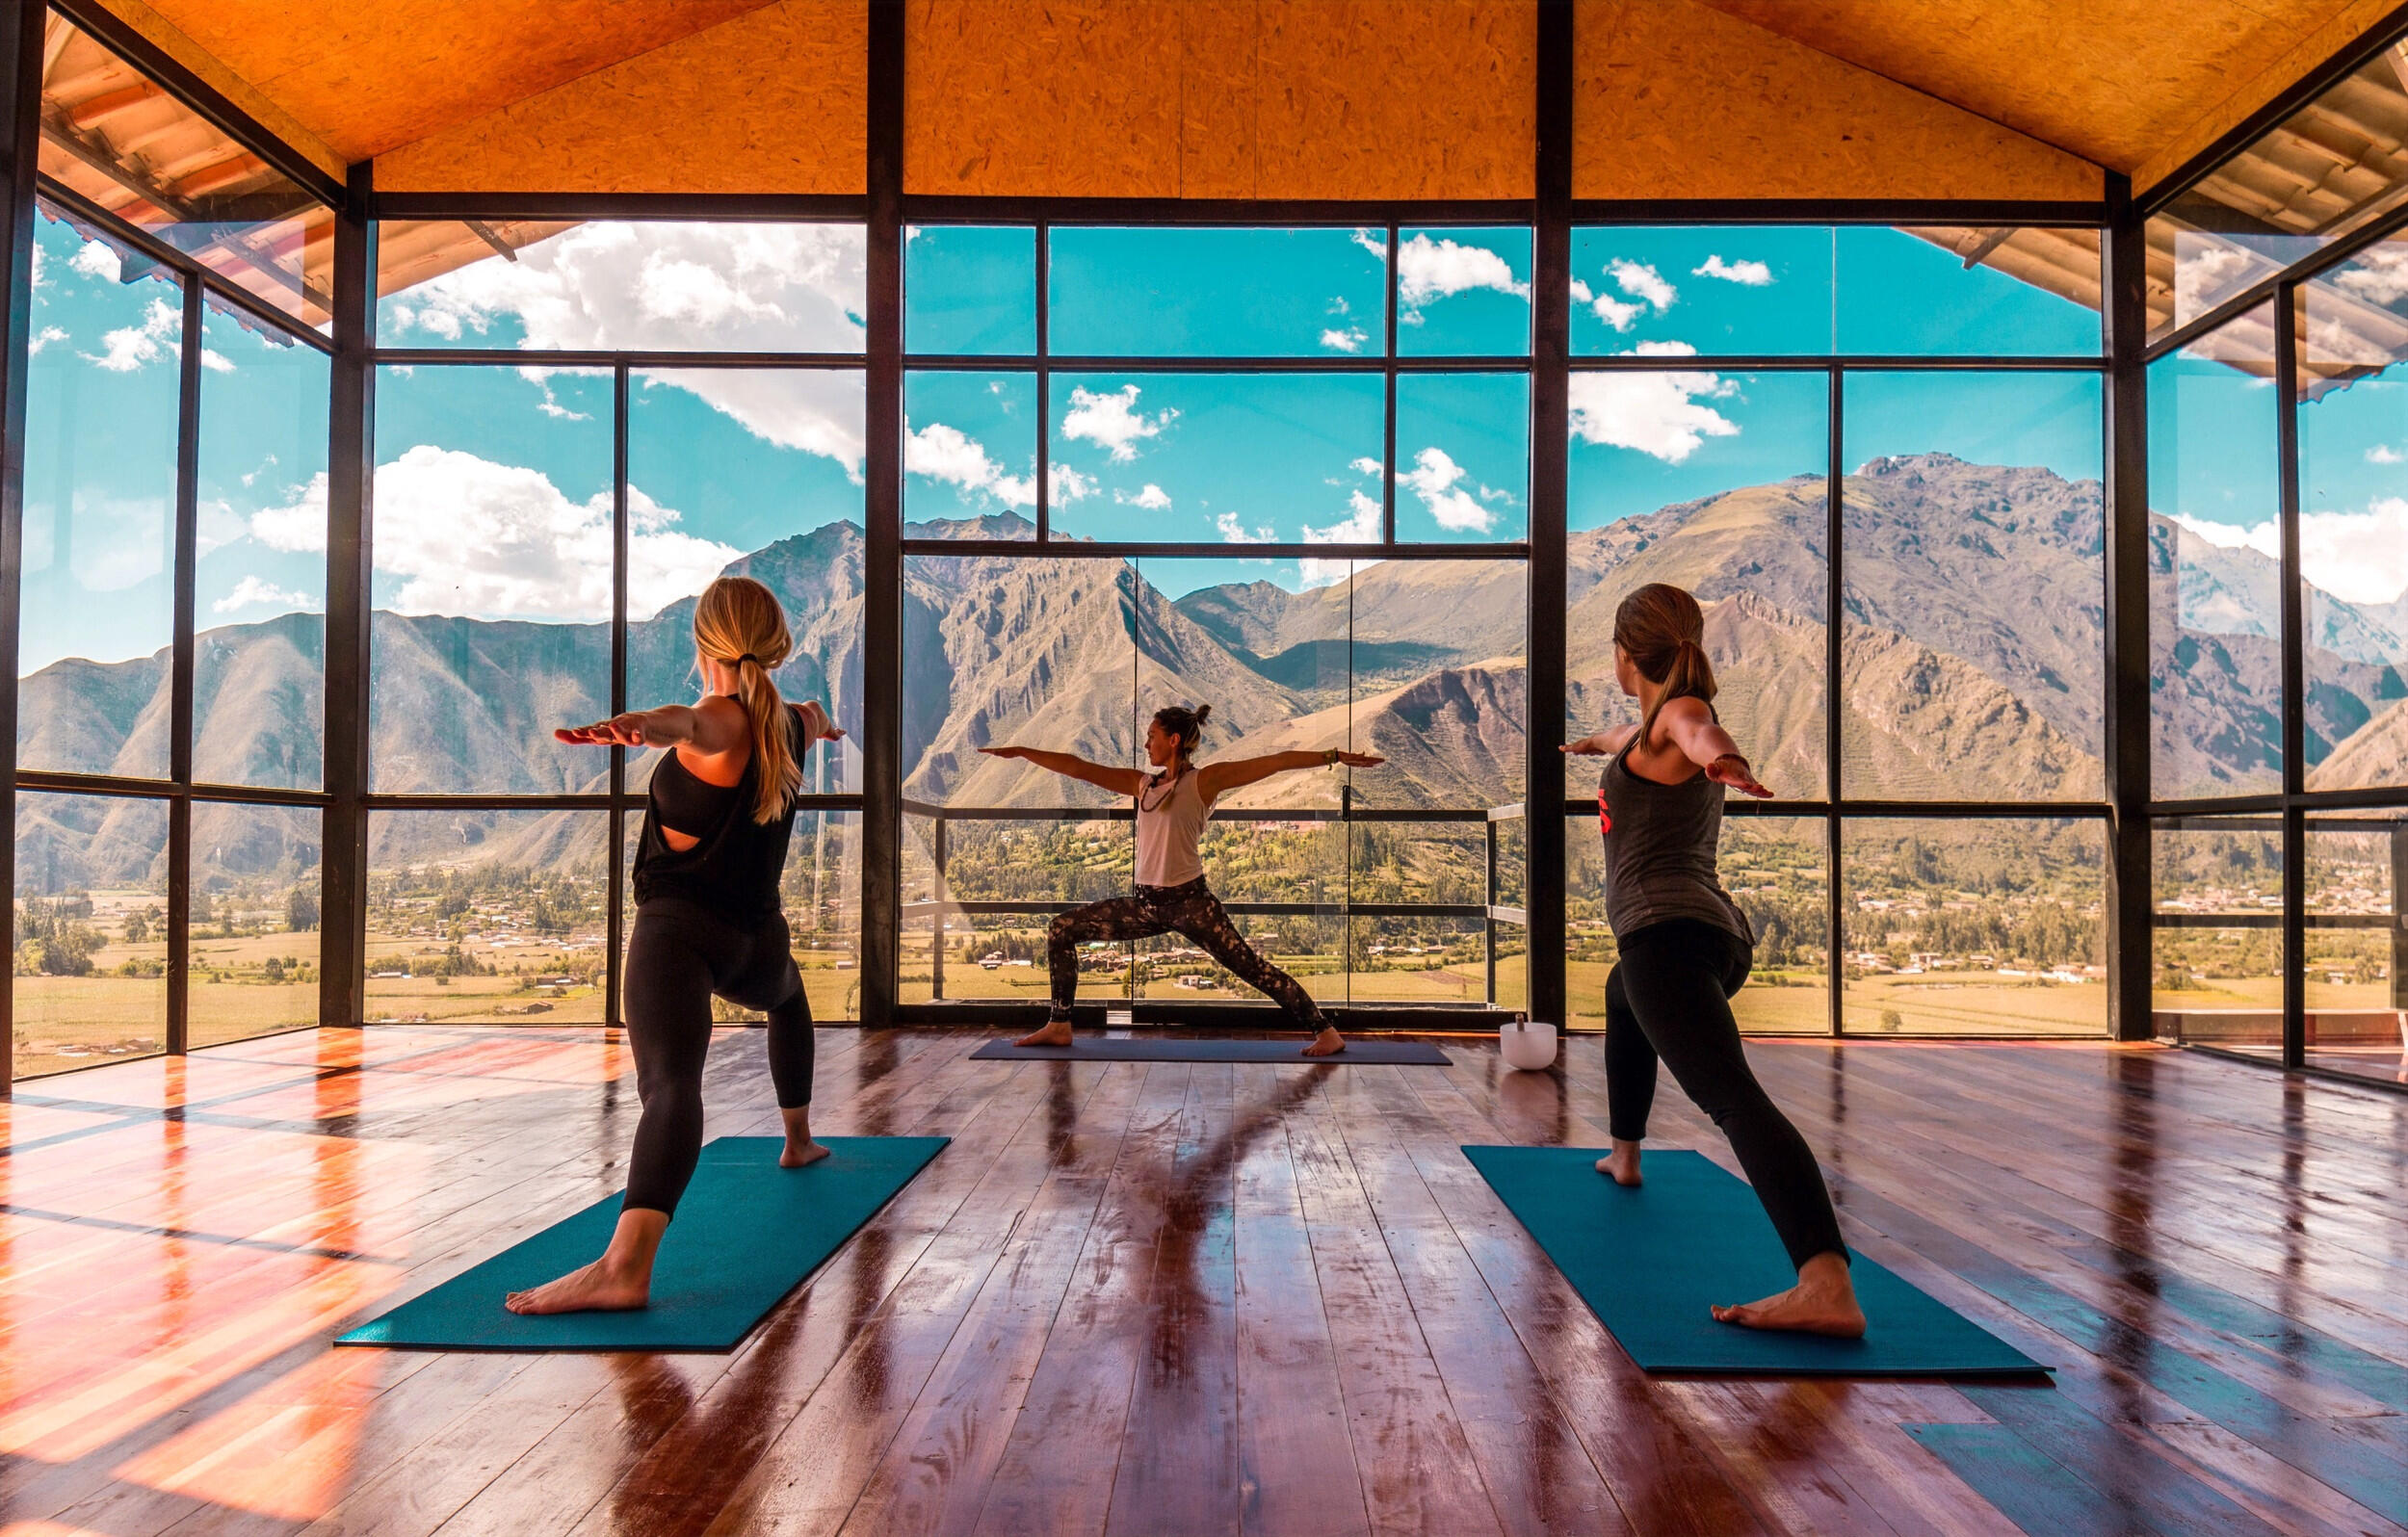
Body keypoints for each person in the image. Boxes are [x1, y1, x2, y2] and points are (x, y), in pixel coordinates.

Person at [506, 575, 845, 1316]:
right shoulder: (788, 721)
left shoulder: (717, 716)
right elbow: (813, 715)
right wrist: (827, 727)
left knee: (670, 1087)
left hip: (681, 937)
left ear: (704, 642)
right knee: (788, 1001)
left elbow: (692, 727)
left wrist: (645, 727)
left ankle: (625, 1268)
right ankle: (798, 1139)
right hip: (755, 941)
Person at [1563, 583, 1865, 1338]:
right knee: (1620, 996)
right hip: (1705, 935)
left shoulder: (1678, 719)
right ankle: (1625, 1154)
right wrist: (1588, 745)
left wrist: (1725, 760)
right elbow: (1625, 739)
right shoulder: (1645, 734)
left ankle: (1825, 1282)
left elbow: (1698, 731)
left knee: (1734, 1102)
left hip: (1668, 939)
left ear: (1626, 656)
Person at [980, 704, 1383, 1058]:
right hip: (1145, 905)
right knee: (1061, 929)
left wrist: (1334, 756)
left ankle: (1326, 1032)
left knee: (1253, 969)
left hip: (1191, 904)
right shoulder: (1143, 785)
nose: (1145, 745)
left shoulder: (1203, 782)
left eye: (1151, 737)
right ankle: (1060, 1025)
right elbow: (1078, 767)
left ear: (1173, 741)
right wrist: (1020, 752)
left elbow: (1276, 761)